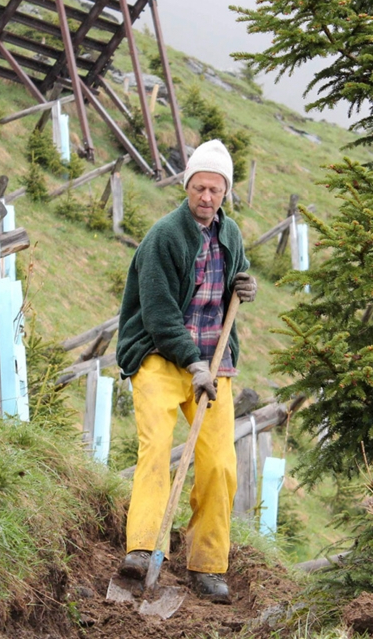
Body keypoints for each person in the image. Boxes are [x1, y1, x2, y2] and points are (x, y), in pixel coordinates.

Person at [114, 140, 258, 604]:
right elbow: (157, 312)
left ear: (225, 192)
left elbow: (236, 274)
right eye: (199, 188)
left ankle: (207, 565)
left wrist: (245, 283)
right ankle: (141, 547)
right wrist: (191, 361)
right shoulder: (164, 236)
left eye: (216, 190)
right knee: (156, 448)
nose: (207, 197)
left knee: (219, 464)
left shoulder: (230, 233)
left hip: (215, 364)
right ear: (187, 186)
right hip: (161, 356)